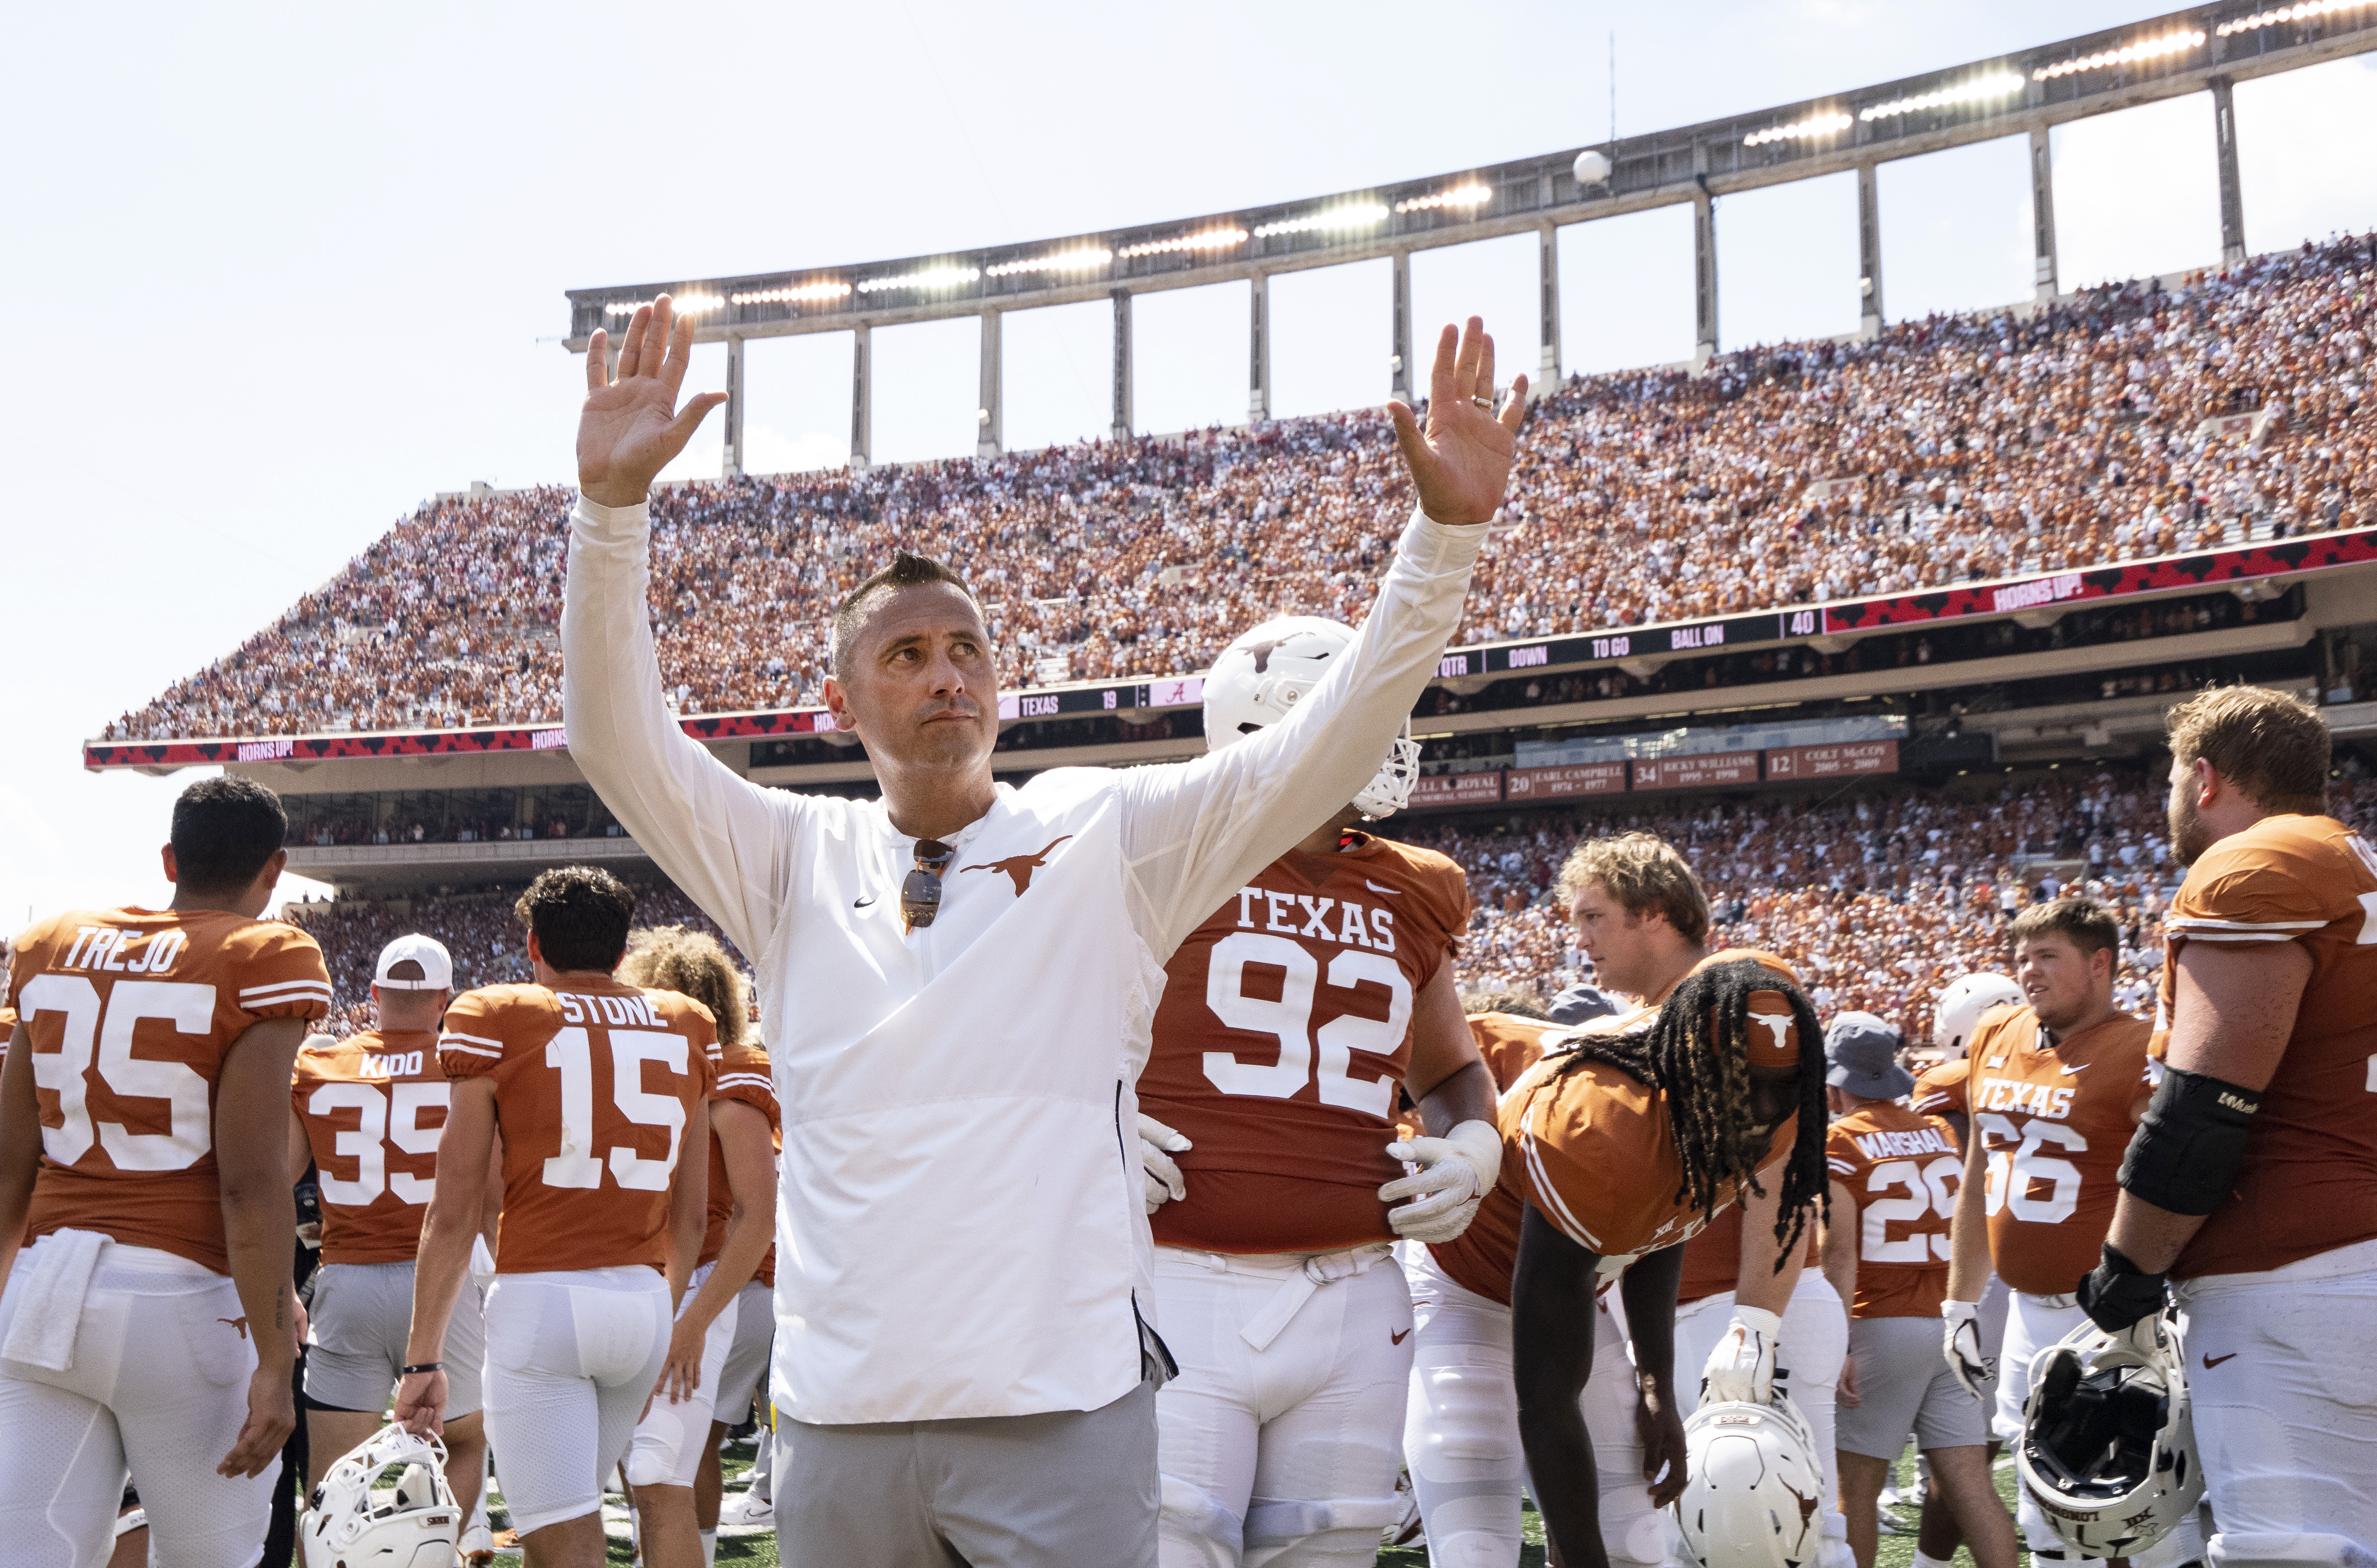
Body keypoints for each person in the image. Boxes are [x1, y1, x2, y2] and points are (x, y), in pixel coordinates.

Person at [560, 294, 1525, 1566]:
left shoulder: (1107, 837)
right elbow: (615, 742)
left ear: (1000, 684)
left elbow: (1323, 743)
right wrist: (609, 516)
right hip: (846, 1412)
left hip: (1065, 1405)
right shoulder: (791, 855)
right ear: (841, 699)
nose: (945, 675)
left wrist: (1441, 540)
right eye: (904, 654)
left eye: (965, 648)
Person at [1135, 625, 1496, 1568]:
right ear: (1271, 720)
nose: (1384, 731)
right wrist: (1081, 1115)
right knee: (1172, 1543)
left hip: (1354, 1286)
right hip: (1175, 1275)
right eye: (1359, 706)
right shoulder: (1161, 844)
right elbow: (1022, 1015)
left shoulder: (1415, 886)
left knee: (1330, 1547)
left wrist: (1474, 1145)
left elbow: (1451, 1071)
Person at [1404, 834, 1831, 1568]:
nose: (1763, 1112)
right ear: (1691, 1072)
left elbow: (1664, 1218)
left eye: (1780, 1088)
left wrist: (1656, 1380)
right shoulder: (1603, 1129)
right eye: (1746, 1090)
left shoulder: (1766, 1064)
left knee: (1639, 1540)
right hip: (1466, 1286)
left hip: (1583, 1278)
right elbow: (1544, 1401)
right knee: (1480, 1549)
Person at [0, 777, 332, 1568]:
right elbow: (250, 1183)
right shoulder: (266, 954)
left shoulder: (52, 944)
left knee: (32, 1553)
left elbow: (10, 1164)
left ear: (169, 857)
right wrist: (276, 1360)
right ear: (275, 868)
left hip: (46, 1293)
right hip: (183, 1300)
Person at [2087, 688, 2377, 1568]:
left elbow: (2204, 1113)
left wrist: (2126, 1274)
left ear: (2204, 778)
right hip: (2353, 1254)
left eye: (2173, 777)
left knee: (2287, 1552)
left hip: (2290, 1274)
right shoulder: (2354, 865)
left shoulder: (2253, 867)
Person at [394, 866, 720, 1568]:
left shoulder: (496, 1013)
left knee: (565, 1542)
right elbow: (689, 1216)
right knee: (567, 1526)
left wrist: (423, 1356)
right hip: (642, 1305)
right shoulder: (687, 1022)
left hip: (543, 1302)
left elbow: (452, 1215)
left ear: (535, 944)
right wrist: (659, 1310)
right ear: (620, 947)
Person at [1941, 898, 2198, 1568]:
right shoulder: (1996, 1033)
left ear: (2099, 962)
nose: (2028, 971)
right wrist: (1959, 1301)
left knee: (2140, 1513)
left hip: (2113, 1316)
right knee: (2045, 1512)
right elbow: (1977, 1177)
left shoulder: (2139, 1046)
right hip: (2027, 1313)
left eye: (2046, 955)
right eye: (2021, 957)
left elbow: (2181, 1175)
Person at [288, 931, 498, 1531]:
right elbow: (491, 1197)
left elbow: (278, 1182)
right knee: (461, 1442)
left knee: (328, 1484)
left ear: (375, 992)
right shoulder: (468, 1065)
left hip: (345, 1280)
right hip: (442, 1285)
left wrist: (282, 1285)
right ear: (445, 998)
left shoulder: (320, 1062)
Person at [1822, 1015, 2014, 1568]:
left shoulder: (1842, 1141)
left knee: (1854, 1487)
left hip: (1882, 1323)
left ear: (1837, 1083)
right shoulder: (1942, 1132)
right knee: (1972, 1486)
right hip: (1955, 1323)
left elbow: (1838, 1253)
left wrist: (1835, 1343)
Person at [617, 927, 777, 1568]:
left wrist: (692, 1317)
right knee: (672, 1453)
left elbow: (752, 1211)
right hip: (691, 1279)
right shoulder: (687, 1067)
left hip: (720, 1284)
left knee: (669, 1460)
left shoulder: (728, 1072)